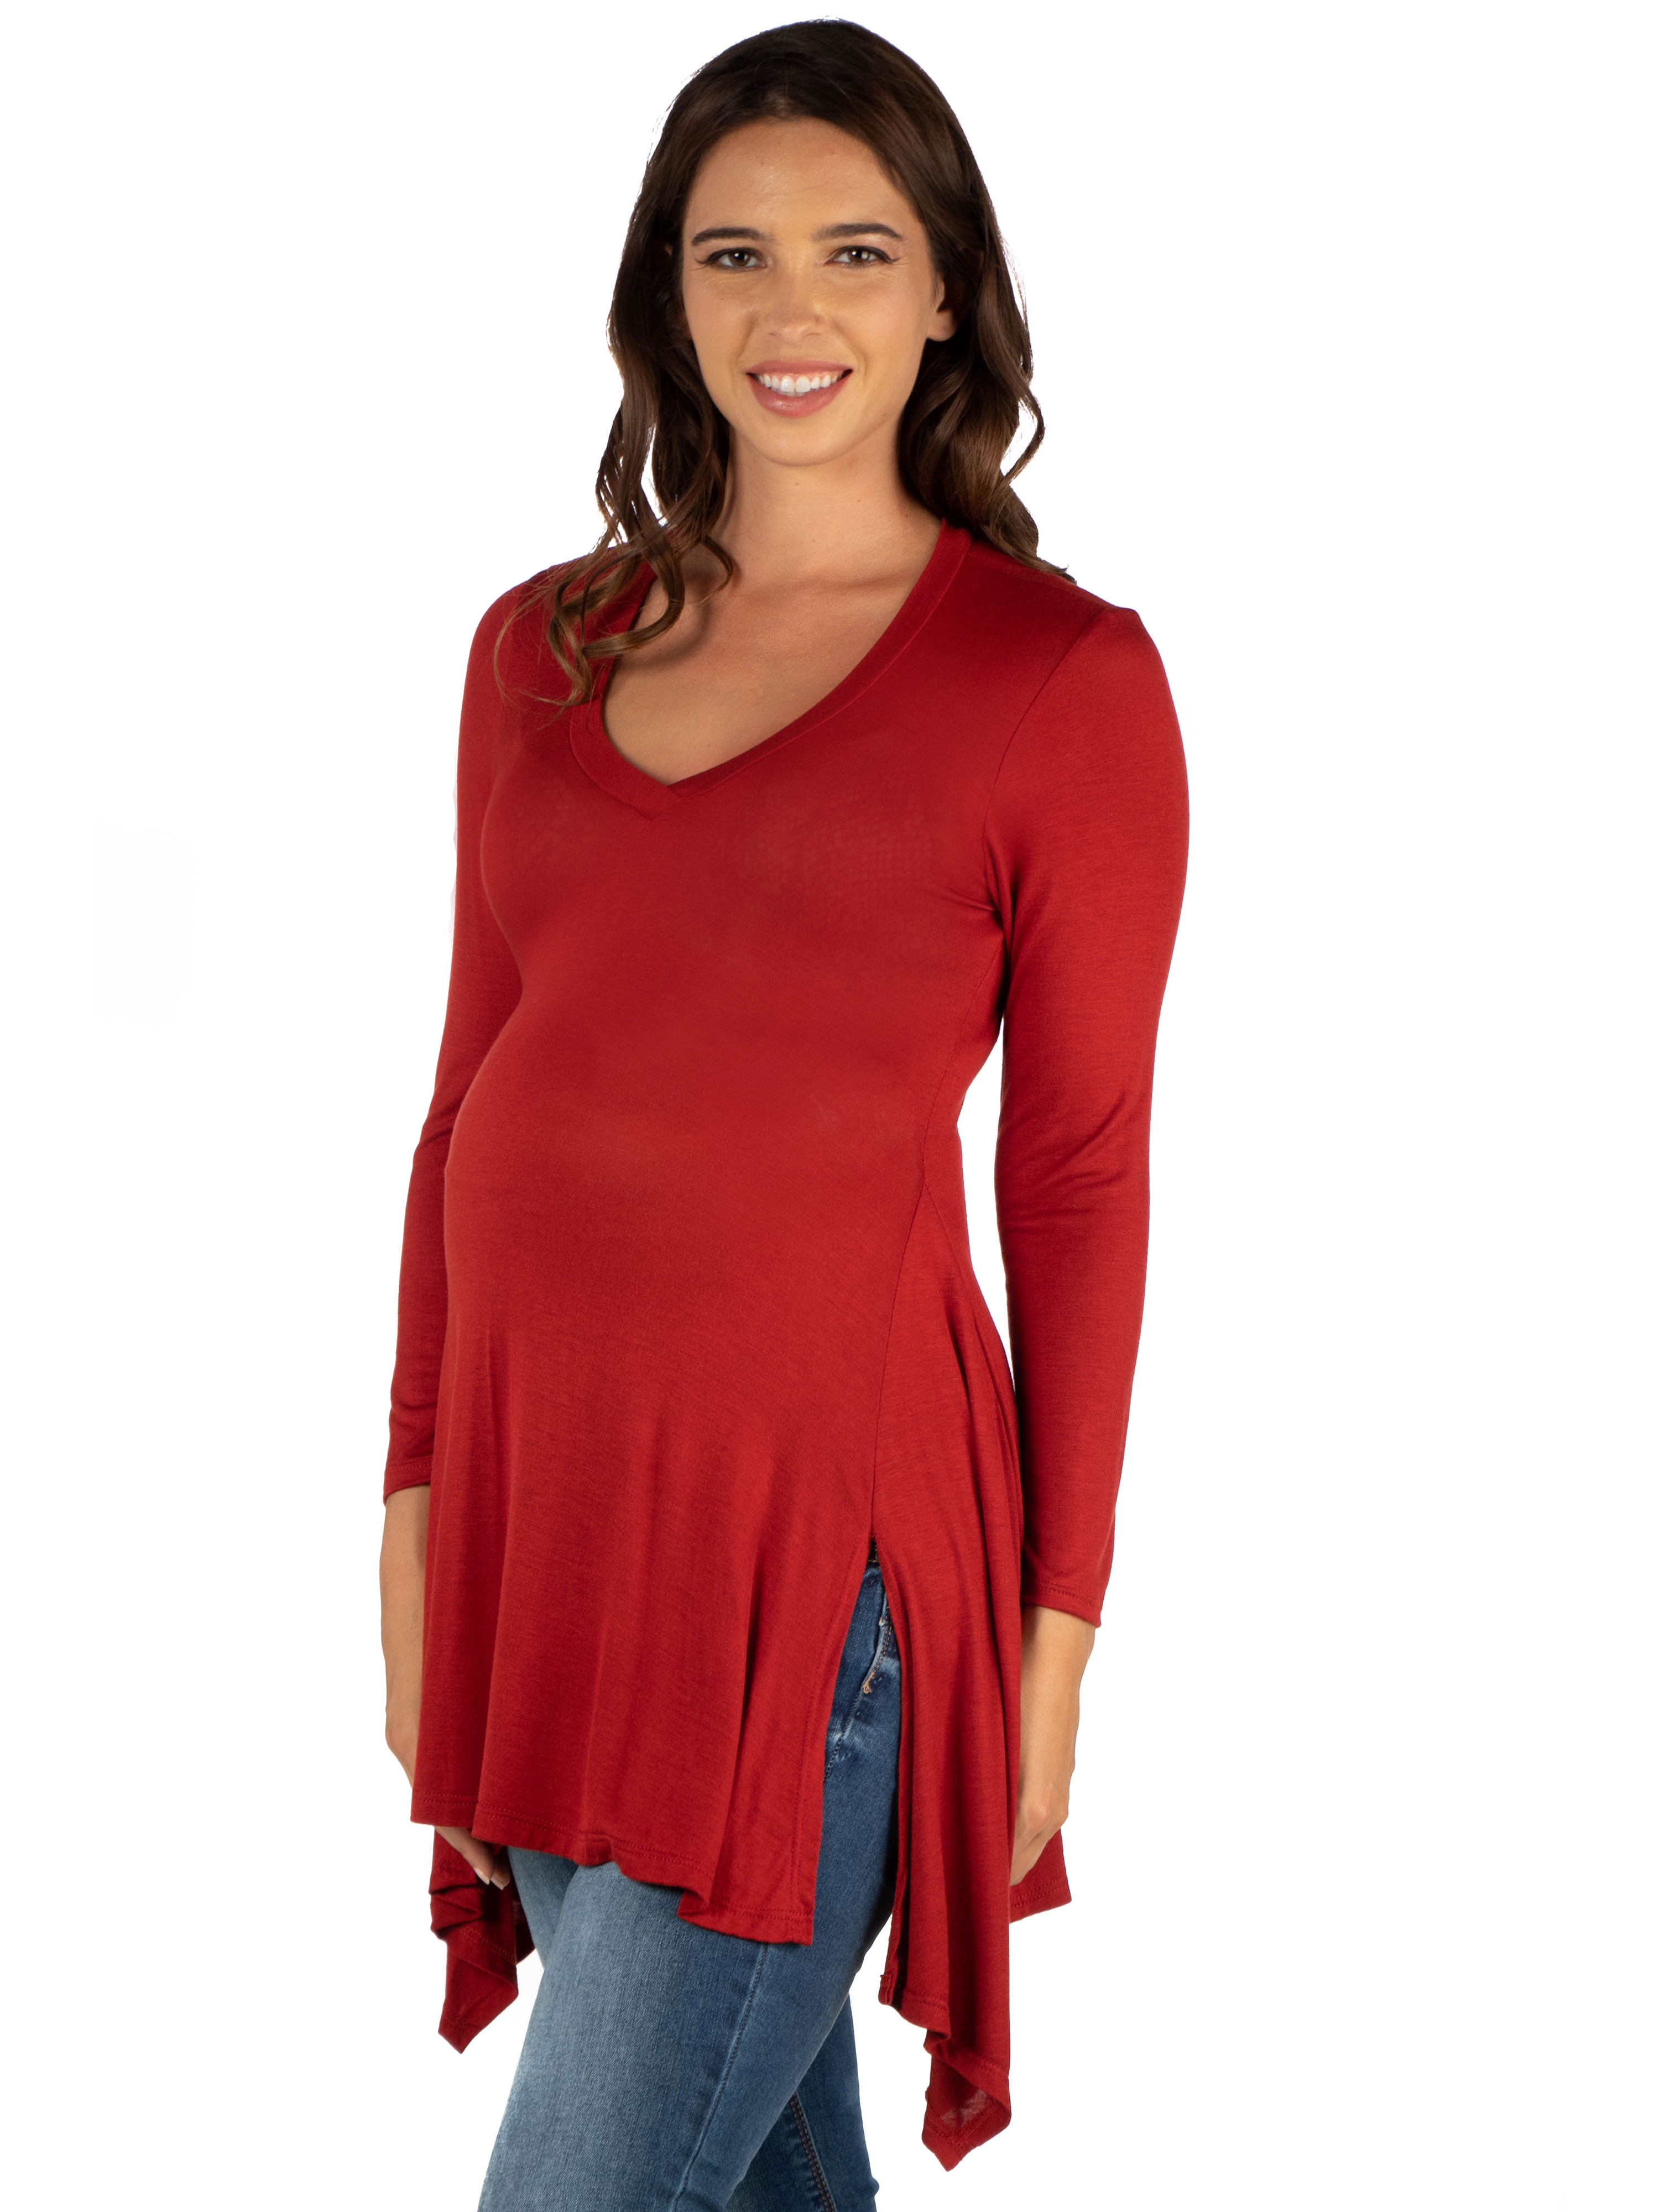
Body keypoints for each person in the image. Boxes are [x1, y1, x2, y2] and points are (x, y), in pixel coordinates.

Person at [378, 19, 1188, 2206]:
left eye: (857, 249)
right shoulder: (538, 649)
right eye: (733, 252)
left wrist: (1054, 1648)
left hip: (814, 1587)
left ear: (946, 296)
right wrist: (418, 1509)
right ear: (667, 291)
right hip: (544, 1537)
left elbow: (1079, 1182)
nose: (791, 307)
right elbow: (466, 1107)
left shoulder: (1058, 681)